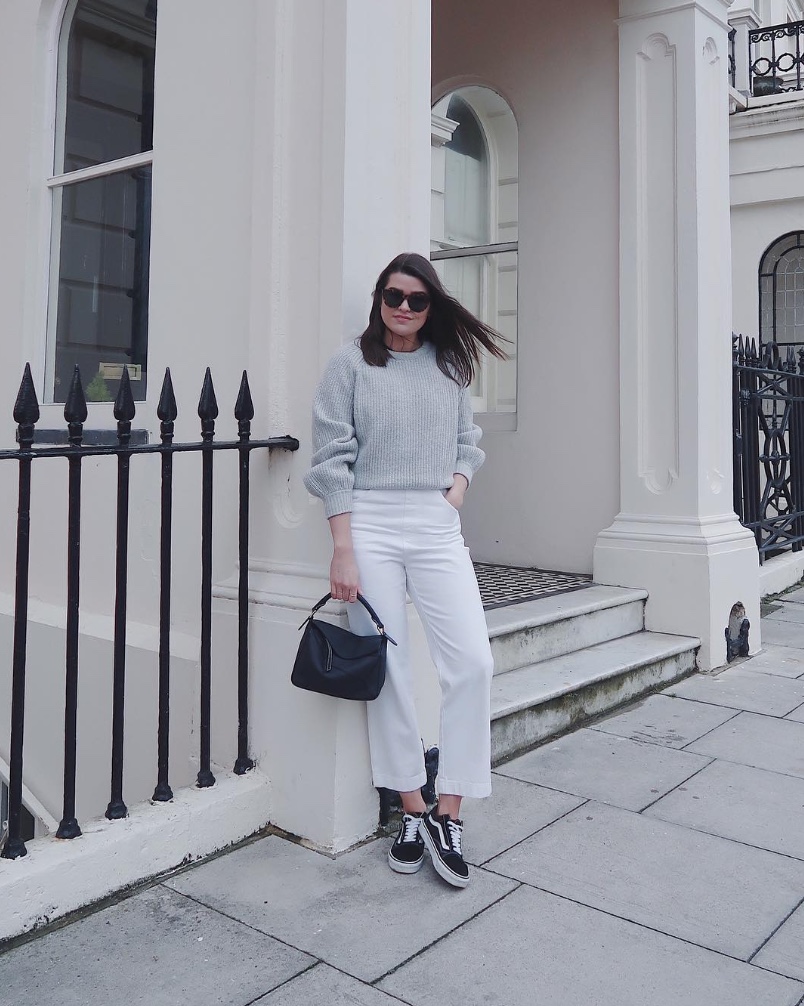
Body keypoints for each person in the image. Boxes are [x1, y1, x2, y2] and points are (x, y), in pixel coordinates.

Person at [304, 252, 506, 888]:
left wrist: (456, 489)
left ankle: (450, 811)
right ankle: (412, 809)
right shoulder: (350, 364)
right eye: (395, 295)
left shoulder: (450, 365)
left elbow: (467, 441)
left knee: (472, 662)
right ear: (379, 298)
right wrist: (342, 547)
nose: (404, 308)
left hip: (435, 522)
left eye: (418, 300)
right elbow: (331, 457)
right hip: (368, 522)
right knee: (387, 667)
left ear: (430, 306)